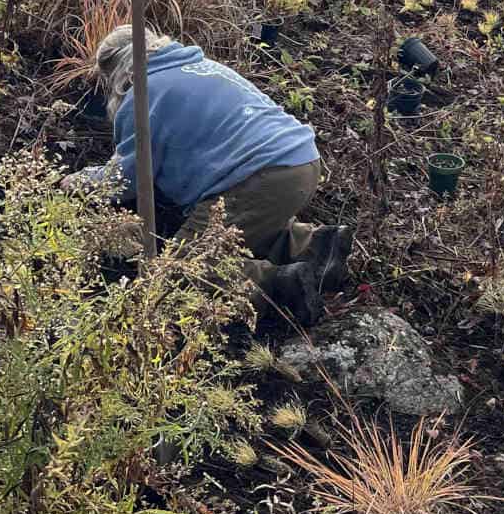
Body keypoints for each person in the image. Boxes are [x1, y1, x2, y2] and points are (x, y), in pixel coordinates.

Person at [67, 26, 351, 326]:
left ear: (117, 71)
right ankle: (319, 247)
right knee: (245, 225)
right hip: (302, 161)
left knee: (178, 272)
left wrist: (79, 182)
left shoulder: (142, 95)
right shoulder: (200, 67)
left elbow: (126, 178)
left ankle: (281, 284)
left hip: (261, 173)